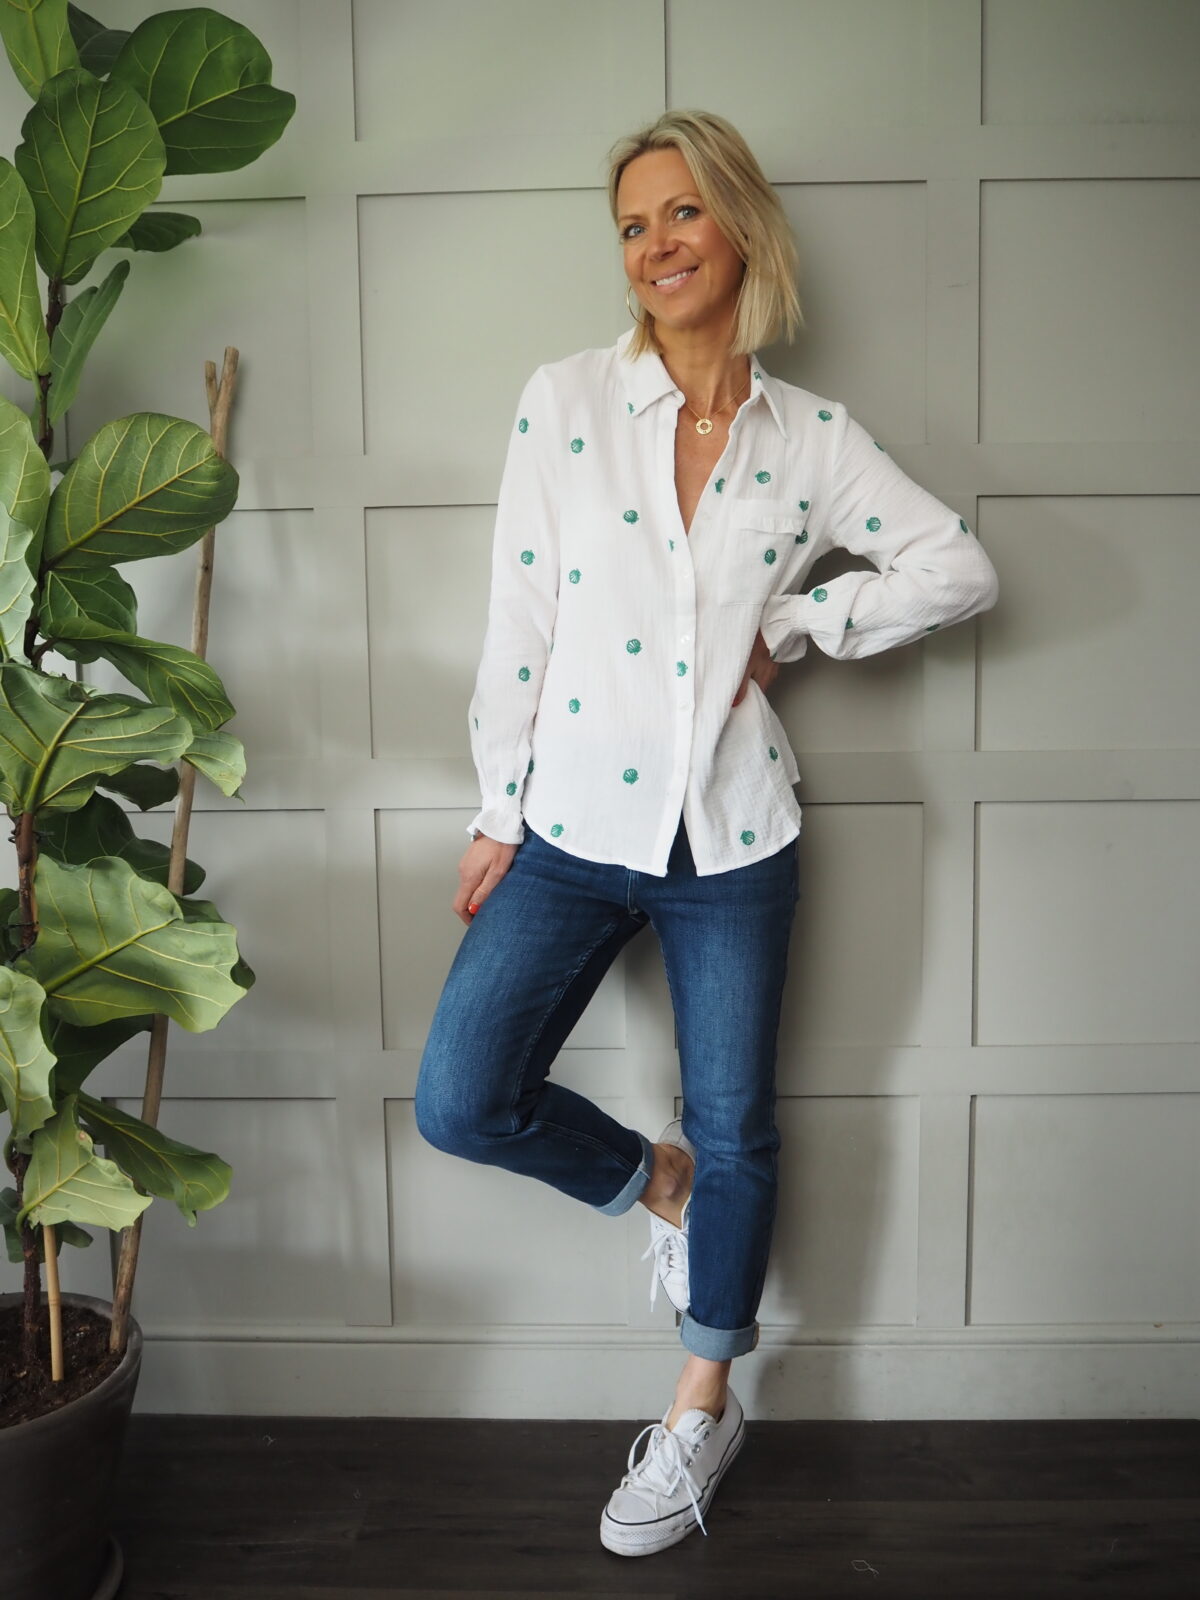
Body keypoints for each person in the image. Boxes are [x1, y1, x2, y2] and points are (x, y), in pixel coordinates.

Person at [414, 108, 999, 1558]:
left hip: (734, 836)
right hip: (569, 825)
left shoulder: (813, 439)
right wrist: (497, 806)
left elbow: (958, 568)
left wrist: (797, 624)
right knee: (463, 1096)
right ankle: (654, 1184)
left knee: (737, 1123)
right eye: (632, 225)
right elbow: (519, 616)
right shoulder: (564, 401)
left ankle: (701, 1406)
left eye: (681, 213)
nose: (656, 245)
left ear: (740, 226)